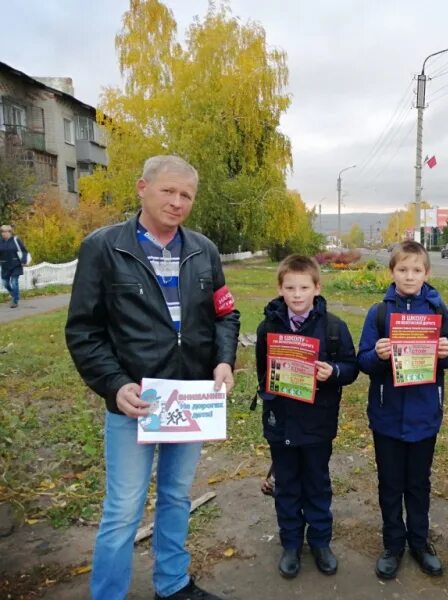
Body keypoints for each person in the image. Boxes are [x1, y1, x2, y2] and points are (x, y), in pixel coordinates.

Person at [65, 155, 240, 600]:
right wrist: (114, 384)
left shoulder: (204, 250)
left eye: (186, 195)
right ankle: (108, 594)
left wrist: (223, 361)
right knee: (124, 510)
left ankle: (173, 584)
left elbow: (226, 314)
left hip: (189, 398)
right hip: (135, 401)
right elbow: (84, 330)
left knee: (177, 497)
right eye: (168, 191)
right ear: (142, 188)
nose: (177, 202)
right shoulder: (104, 248)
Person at [357, 241, 448, 580]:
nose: (409, 276)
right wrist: (378, 354)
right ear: (392, 273)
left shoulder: (436, 310)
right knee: (390, 484)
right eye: (402, 269)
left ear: (426, 274)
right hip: (387, 417)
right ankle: (393, 544)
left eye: (416, 270)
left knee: (418, 484)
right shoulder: (379, 312)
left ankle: (419, 542)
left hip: (423, 415)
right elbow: (363, 361)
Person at [254, 254, 358, 579]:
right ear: (280, 289)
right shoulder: (268, 327)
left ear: (317, 287)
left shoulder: (334, 328)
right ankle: (290, 544)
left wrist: (334, 371)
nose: (297, 295)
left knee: (317, 483)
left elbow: (352, 368)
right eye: (290, 288)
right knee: (287, 485)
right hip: (281, 421)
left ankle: (320, 542)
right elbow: (262, 371)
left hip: (317, 424)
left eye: (303, 287)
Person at [0, 224, 30, 308]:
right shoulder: (0, 241)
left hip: (15, 264)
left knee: (14, 281)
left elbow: (24, 251)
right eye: (1, 231)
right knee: (5, 283)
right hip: (5, 265)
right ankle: (14, 294)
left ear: (10, 232)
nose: (3, 233)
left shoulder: (16, 240)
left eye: (5, 231)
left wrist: (23, 260)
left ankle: (15, 301)